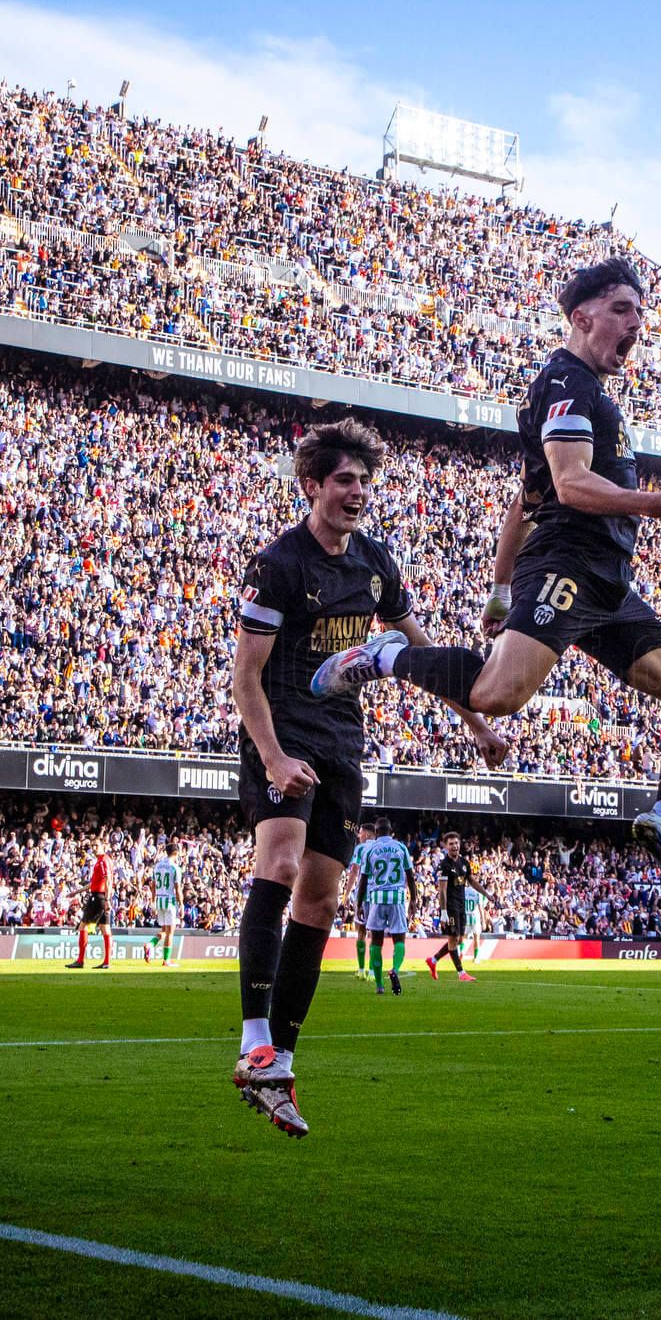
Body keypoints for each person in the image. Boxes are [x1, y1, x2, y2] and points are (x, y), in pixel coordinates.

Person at [315, 258, 661, 901]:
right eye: (623, 309)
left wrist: (502, 586)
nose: (636, 324)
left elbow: (526, 498)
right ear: (582, 316)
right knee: (496, 695)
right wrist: (656, 503)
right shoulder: (567, 383)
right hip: (567, 566)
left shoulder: (589, 393)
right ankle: (385, 655)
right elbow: (568, 486)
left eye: (640, 312)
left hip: (607, 585)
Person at [228, 418, 509, 1140]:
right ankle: (252, 1037)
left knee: (320, 902)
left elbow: (421, 653)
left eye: (364, 480)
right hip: (283, 729)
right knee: (282, 861)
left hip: (342, 741)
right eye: (343, 480)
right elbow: (246, 679)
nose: (357, 492)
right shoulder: (278, 564)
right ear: (312, 485)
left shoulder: (377, 565)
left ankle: (278, 1066)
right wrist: (271, 757)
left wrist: (475, 721)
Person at [357, 818, 414, 996]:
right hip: (396, 898)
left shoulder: (370, 849)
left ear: (376, 830)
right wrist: (413, 899)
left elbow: (364, 879)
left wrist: (359, 902)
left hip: (376, 899)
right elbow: (410, 875)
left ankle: (380, 985)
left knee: (376, 942)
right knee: (399, 940)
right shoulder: (401, 848)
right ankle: (395, 969)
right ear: (391, 830)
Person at [425, 832, 476, 982]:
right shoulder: (444, 865)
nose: (454, 846)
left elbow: (472, 881)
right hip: (450, 906)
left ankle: (433, 960)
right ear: (446, 846)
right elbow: (442, 890)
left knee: (459, 940)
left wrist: (486, 894)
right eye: (451, 843)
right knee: (453, 939)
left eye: (456, 843)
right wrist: (444, 912)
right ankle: (461, 973)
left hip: (461, 905)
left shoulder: (464, 863)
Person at [67, 842, 113, 969]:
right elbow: (94, 882)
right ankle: (107, 962)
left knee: (83, 926)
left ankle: (80, 960)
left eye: (96, 846)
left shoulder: (103, 861)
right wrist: (77, 892)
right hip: (103, 897)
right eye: (92, 846)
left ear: (104, 846)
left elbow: (107, 879)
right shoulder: (105, 860)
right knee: (105, 929)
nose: (93, 848)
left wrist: (107, 899)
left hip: (98, 897)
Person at [146, 835, 185, 968]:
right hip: (169, 901)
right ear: (176, 853)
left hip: (159, 901)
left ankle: (150, 944)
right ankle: (166, 961)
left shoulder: (157, 866)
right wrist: (182, 905)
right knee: (170, 932)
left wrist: (152, 901)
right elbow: (178, 889)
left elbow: (153, 885)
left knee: (164, 930)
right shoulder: (175, 868)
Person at [344, 823, 377, 979]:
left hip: (363, 894)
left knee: (361, 931)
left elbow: (354, 871)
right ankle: (372, 971)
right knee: (375, 933)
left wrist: (346, 893)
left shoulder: (361, 849)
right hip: (377, 895)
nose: (359, 835)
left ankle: (362, 969)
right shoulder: (381, 848)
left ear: (368, 835)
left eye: (361, 833)